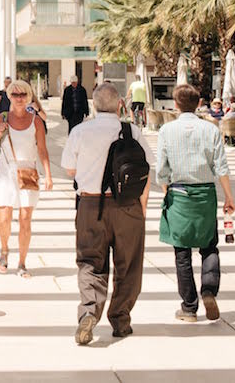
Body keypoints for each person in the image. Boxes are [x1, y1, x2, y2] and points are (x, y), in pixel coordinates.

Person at [61, 82, 153, 345]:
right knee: (129, 264)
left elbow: (69, 169)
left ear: (94, 104)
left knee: (90, 262)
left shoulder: (80, 131)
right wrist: (142, 207)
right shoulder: (132, 131)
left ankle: (89, 312)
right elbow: (147, 170)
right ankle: (120, 319)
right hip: (127, 206)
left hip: (91, 206)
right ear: (120, 105)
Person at [156, 84, 235, 323]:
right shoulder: (210, 129)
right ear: (199, 103)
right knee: (209, 245)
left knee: (182, 252)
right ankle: (209, 290)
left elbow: (161, 169)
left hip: (179, 194)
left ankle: (189, 307)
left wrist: (165, 188)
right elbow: (221, 167)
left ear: (176, 104)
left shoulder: (167, 130)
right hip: (205, 195)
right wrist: (229, 197)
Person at [0, 80, 52, 277]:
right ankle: (4, 250)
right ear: (9, 97)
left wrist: (48, 174)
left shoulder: (36, 121)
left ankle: (22, 263)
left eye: (23, 94)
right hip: (6, 172)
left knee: (25, 219)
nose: (19, 98)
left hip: (28, 171)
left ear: (29, 97)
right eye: (15, 95)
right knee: (4, 218)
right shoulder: (2, 118)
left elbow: (42, 149)